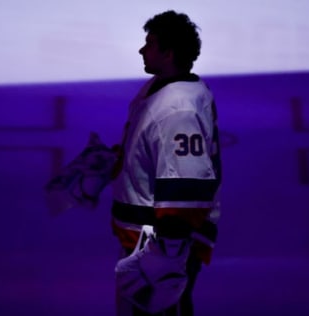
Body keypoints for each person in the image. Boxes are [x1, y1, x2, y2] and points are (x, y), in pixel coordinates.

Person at [111, 10, 222, 316]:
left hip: (160, 247)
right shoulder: (160, 87)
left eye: (150, 43)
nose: (142, 49)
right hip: (147, 242)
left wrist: (168, 256)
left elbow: (184, 187)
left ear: (168, 52)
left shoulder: (179, 108)